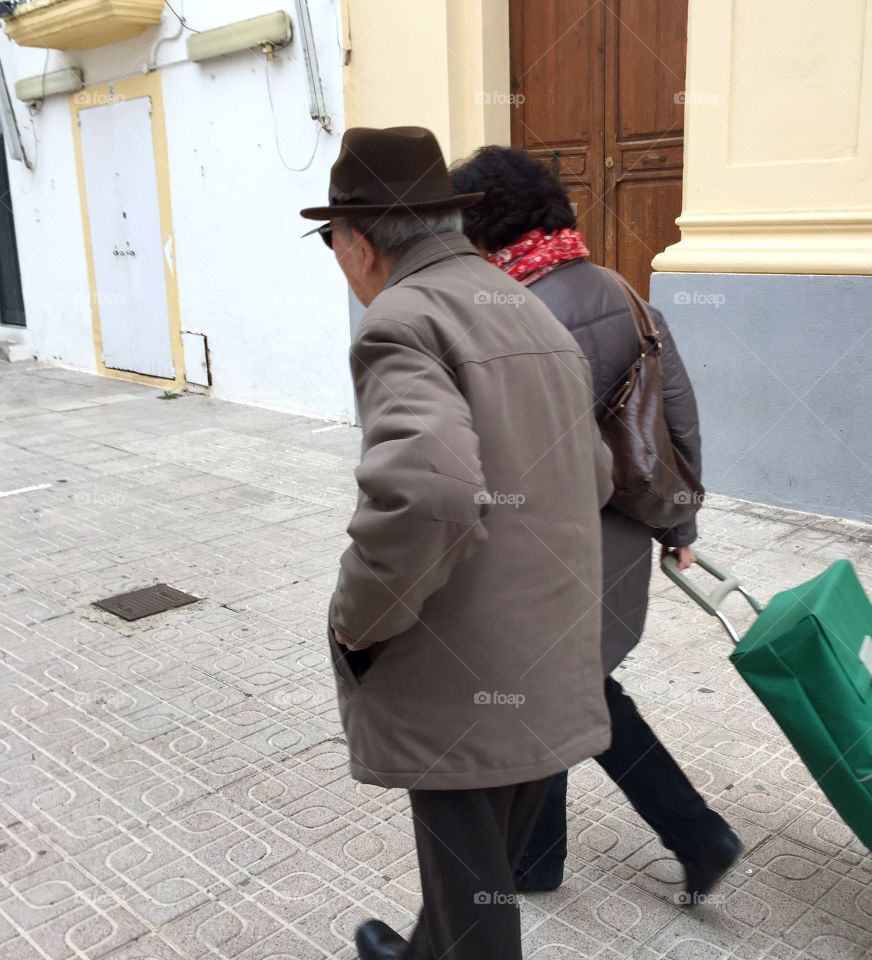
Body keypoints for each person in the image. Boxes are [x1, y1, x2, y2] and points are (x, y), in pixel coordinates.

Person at [301, 127, 614, 960]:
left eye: (330, 242)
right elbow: (596, 472)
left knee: (477, 903)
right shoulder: (528, 306)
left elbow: (429, 495)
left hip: (463, 673)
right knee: (478, 867)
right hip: (548, 648)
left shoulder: (400, 320)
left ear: (359, 241)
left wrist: (356, 617)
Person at [450, 145, 743, 905]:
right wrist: (681, 525)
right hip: (616, 539)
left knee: (571, 695)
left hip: (547, 549)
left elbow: (506, 460)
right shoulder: (621, 288)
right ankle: (543, 860)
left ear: (486, 227)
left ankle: (696, 833)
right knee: (568, 689)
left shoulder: (513, 315)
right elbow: (675, 412)